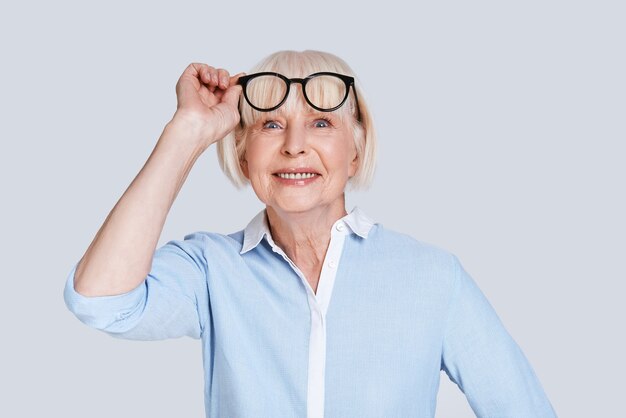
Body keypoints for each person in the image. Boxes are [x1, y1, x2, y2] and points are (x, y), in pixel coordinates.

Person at [63, 50, 557, 418]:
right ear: (242, 154)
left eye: (321, 123)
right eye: (271, 126)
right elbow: (100, 300)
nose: (295, 147)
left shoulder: (433, 276)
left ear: (356, 153)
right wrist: (188, 130)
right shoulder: (211, 269)